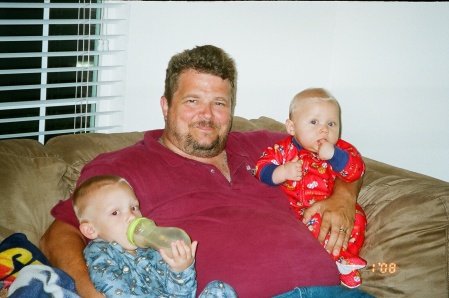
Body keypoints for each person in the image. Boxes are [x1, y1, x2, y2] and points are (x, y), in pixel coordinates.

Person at [40, 45, 372, 298]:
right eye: (193, 101)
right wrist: (92, 293)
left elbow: (341, 154)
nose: (207, 115)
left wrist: (343, 197)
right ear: (166, 106)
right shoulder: (122, 168)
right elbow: (60, 233)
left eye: (219, 103)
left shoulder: (266, 146)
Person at [255, 88, 367, 288]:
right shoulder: (282, 150)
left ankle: (345, 260)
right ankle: (331, 261)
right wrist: (282, 172)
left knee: (357, 217)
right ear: (292, 127)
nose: (324, 130)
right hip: (299, 214)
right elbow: (261, 169)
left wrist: (335, 156)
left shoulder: (342, 150)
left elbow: (356, 170)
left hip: (330, 206)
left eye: (331, 124)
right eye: (314, 122)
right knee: (314, 223)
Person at [72, 174, 237, 297]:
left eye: (134, 208)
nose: (131, 216)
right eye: (115, 212)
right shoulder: (99, 252)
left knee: (219, 289)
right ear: (91, 230)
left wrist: (181, 269)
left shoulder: (152, 249)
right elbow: (112, 289)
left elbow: (182, 295)